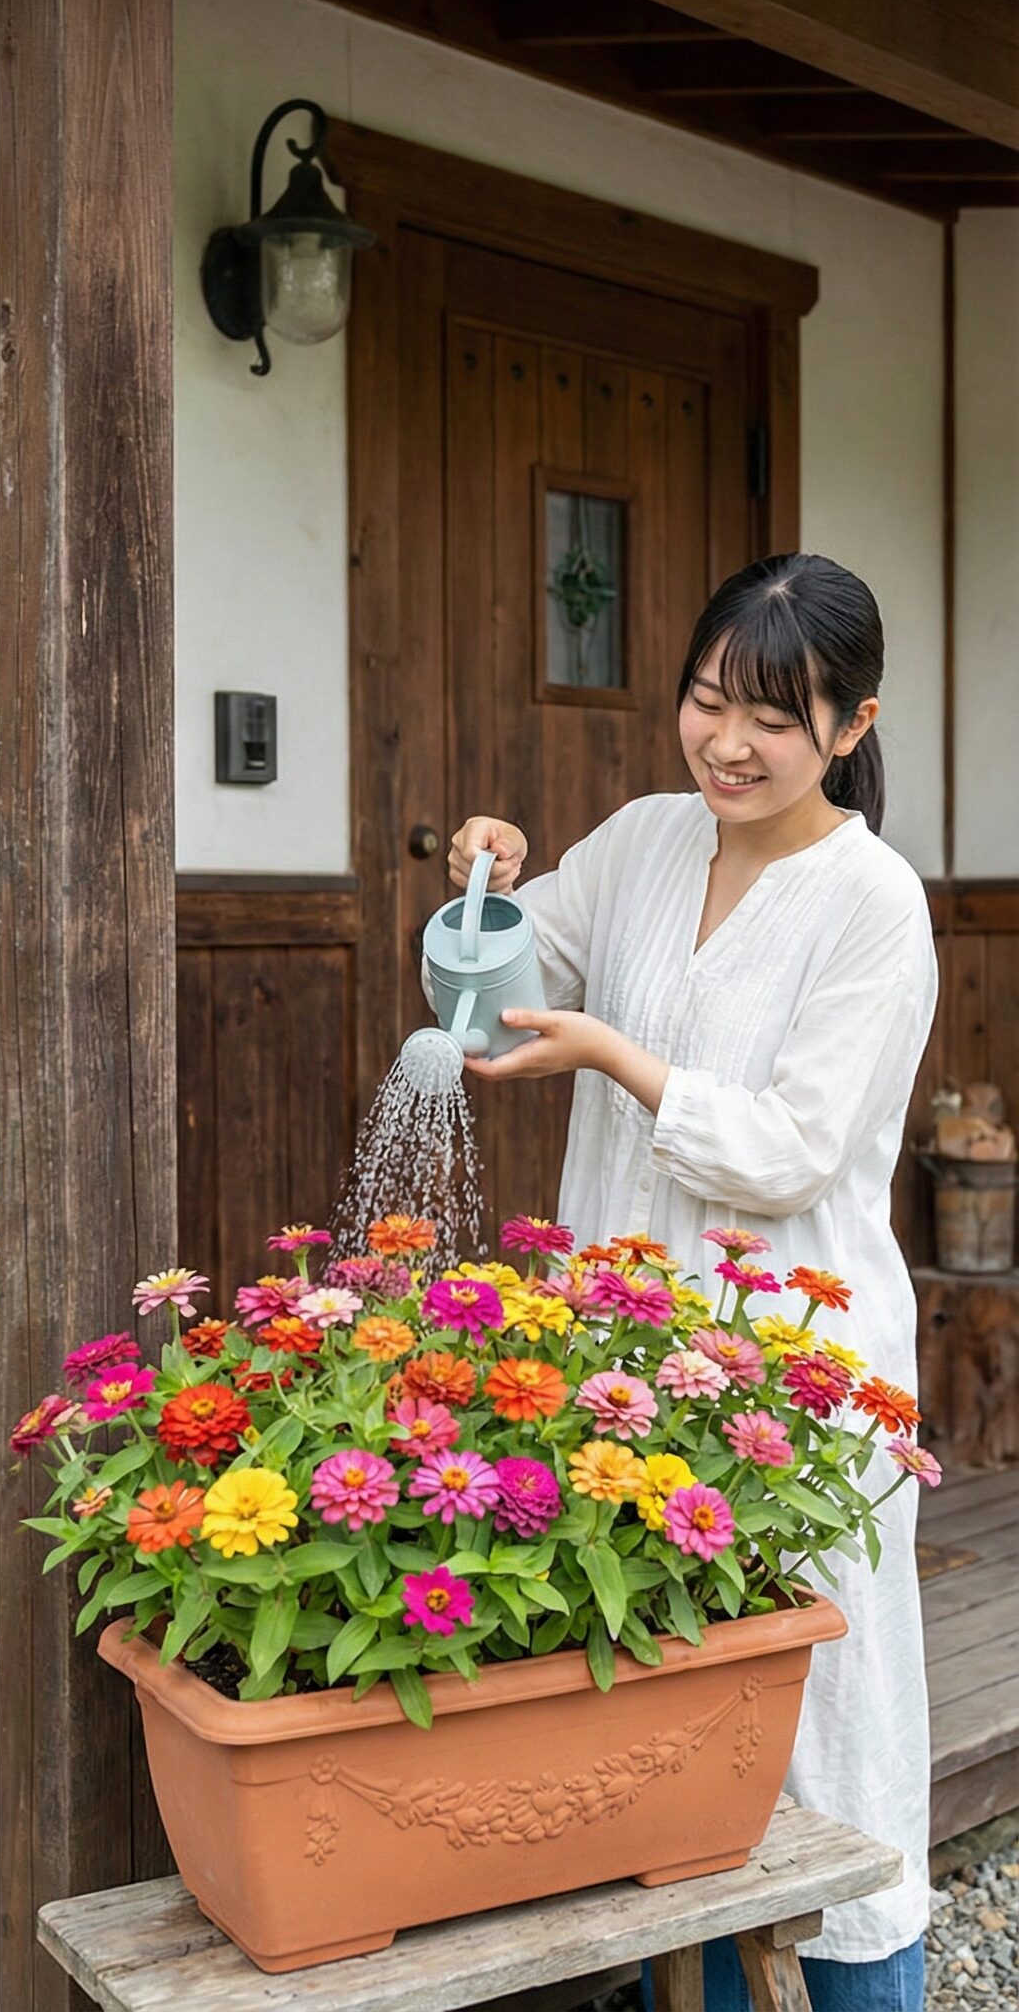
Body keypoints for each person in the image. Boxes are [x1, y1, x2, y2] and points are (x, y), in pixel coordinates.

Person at [451, 552, 936, 2012]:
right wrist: (484, 882)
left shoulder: (871, 902)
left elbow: (789, 1150)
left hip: (797, 1368)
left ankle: (866, 1991)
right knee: (663, 1730)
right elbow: (487, 989)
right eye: (711, 699)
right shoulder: (651, 839)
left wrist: (609, 1052)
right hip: (630, 1367)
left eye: (776, 718)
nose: (730, 743)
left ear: (852, 728)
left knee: (822, 1722)